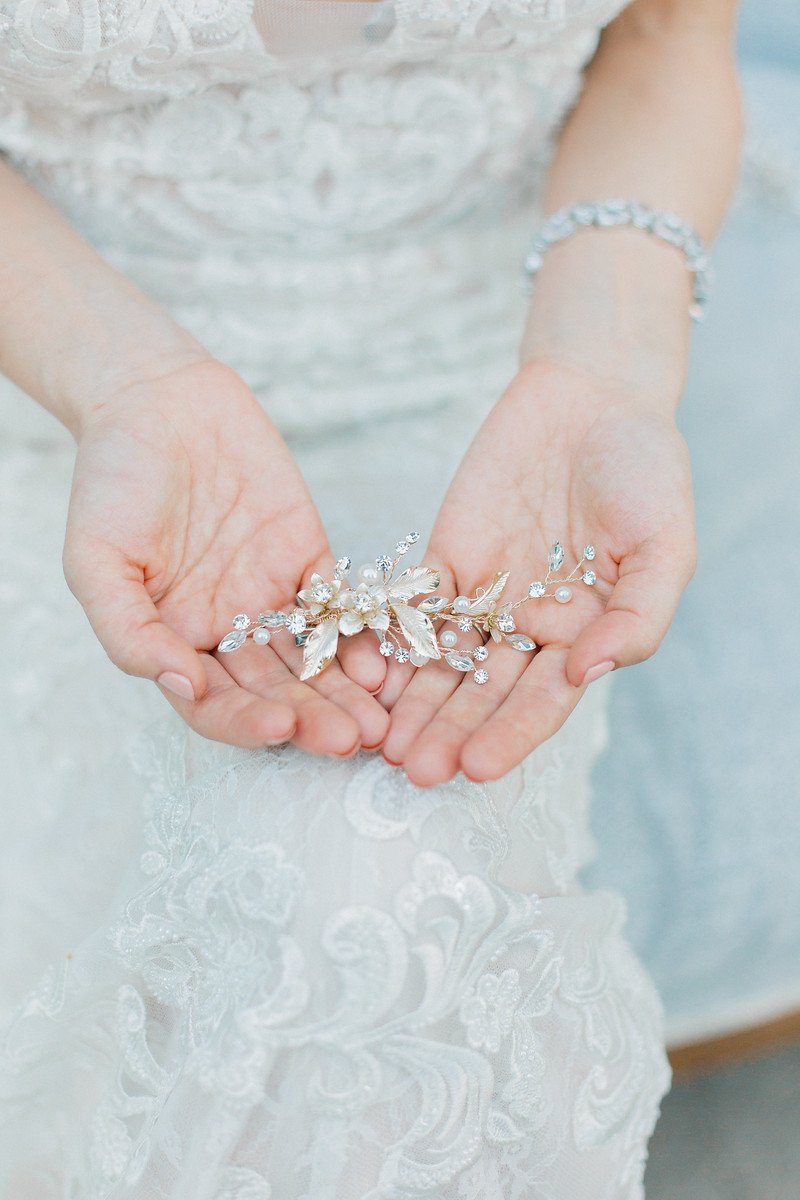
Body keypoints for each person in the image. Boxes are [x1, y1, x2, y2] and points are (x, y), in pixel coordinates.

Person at [0, 0, 742, 1195]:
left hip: (499, 406)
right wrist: (120, 377)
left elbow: (666, 33)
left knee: (379, 871)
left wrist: (605, 369)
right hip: (63, 378)